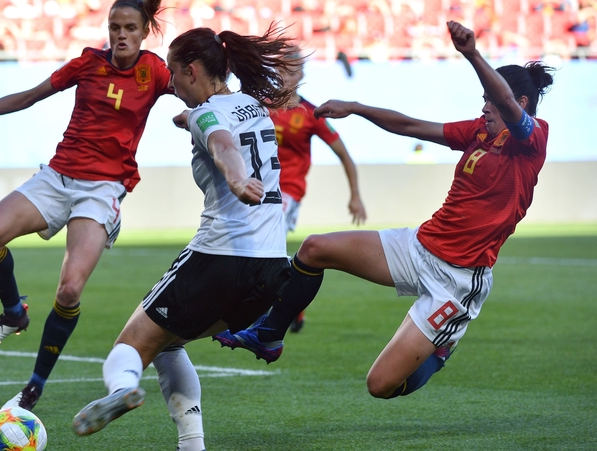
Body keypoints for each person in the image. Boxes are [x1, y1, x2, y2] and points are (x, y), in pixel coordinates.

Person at [215, 20, 555, 400]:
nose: (484, 106)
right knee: (314, 249)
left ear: (519, 104)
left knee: (381, 385)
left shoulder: (532, 139)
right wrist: (356, 107)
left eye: (488, 100)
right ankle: (269, 335)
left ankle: (440, 349)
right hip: (419, 248)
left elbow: (505, 102)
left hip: (457, 281)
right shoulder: (479, 131)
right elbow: (410, 126)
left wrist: (472, 54)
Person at [70, 25, 303, 450]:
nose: (172, 86)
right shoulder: (253, 104)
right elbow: (217, 125)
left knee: (133, 344)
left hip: (220, 259)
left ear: (192, 70)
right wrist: (188, 119)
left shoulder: (205, 115)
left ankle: (121, 388)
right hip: (270, 269)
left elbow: (221, 143)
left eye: (175, 76)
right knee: (169, 341)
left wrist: (235, 180)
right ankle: (191, 445)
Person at [0, 0, 173, 411]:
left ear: (144, 31)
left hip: (101, 189)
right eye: (114, 26)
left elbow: (196, 90)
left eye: (130, 28)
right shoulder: (87, 63)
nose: (120, 35)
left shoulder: (153, 71)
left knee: (68, 290)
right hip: (59, 176)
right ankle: (14, 313)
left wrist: (222, 112)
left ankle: (33, 388)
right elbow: (29, 97)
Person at [271, 51, 367, 333]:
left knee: (268, 243)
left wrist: (355, 196)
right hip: (257, 190)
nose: (283, 77)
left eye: (289, 71)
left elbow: (344, 155)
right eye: (279, 70)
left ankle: (273, 309)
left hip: (288, 191)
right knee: (263, 249)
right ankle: (292, 306)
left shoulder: (311, 115)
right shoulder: (259, 106)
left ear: (301, 76)